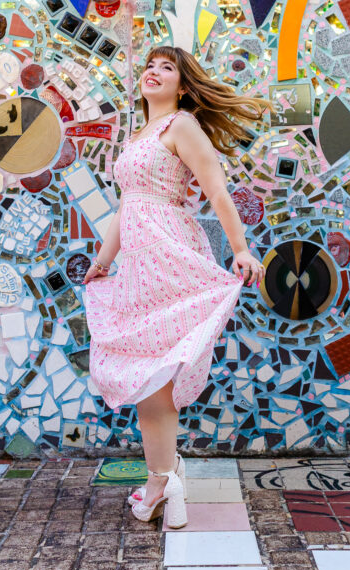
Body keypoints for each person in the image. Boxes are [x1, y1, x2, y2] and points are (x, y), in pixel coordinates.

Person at [83, 45, 271, 528]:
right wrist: (104, 260)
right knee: (150, 381)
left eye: (167, 68)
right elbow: (128, 205)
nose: (153, 71)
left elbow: (216, 189)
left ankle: (161, 481)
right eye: (149, 64)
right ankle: (164, 477)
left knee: (155, 378)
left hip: (169, 251)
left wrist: (241, 248)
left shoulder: (181, 125)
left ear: (183, 87)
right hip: (139, 263)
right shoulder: (139, 134)